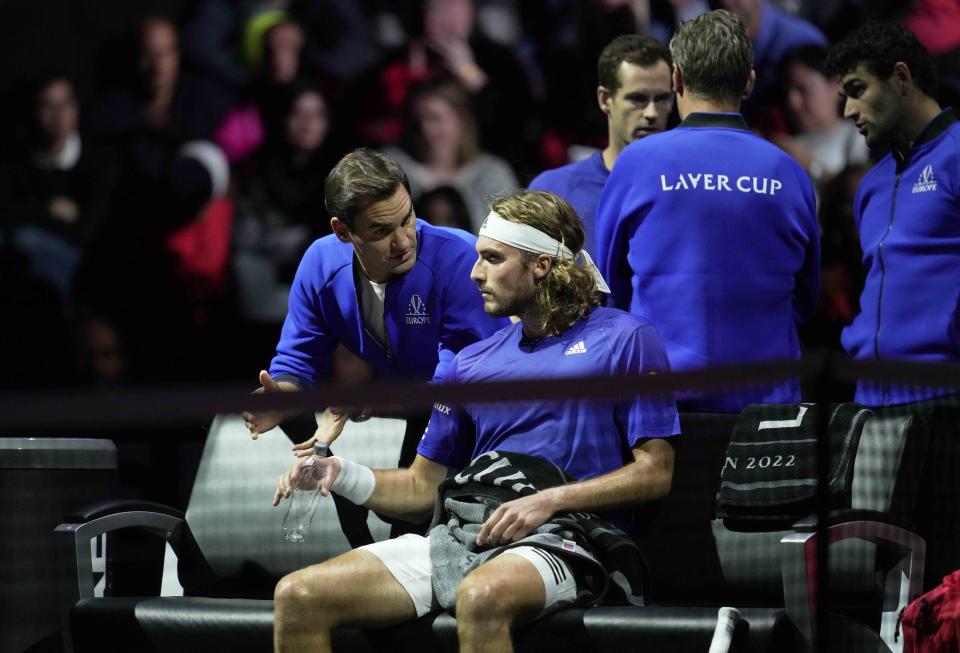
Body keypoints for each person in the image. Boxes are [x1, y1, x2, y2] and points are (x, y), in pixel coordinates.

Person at [271, 189, 679, 652]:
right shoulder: (469, 363)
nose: (474, 272)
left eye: (491, 258)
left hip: (566, 535)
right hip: (463, 533)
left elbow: (655, 471)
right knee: (298, 596)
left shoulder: (629, 338)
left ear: (541, 265)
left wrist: (549, 501)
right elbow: (422, 489)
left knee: (481, 596)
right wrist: (338, 473)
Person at [242, 148, 507, 540]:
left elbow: (456, 385)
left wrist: (365, 401)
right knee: (398, 536)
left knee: (415, 533)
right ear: (343, 231)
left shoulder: (459, 260)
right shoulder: (320, 265)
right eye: (382, 231)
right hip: (414, 409)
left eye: (407, 219)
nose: (403, 241)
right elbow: (298, 361)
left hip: (485, 420)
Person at [595, 9, 820, 412]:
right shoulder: (789, 172)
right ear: (749, 82)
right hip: (768, 410)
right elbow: (806, 298)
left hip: (662, 407)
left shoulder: (637, 163)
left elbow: (610, 287)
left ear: (676, 78)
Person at [825, 22, 960, 407]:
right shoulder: (869, 187)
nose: (848, 110)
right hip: (870, 401)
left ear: (901, 77)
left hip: (944, 398)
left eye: (857, 90)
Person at [529, 34, 674, 256]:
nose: (652, 113)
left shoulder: (687, 187)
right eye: (638, 99)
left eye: (662, 99)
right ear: (605, 99)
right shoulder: (554, 192)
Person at [382, 75, 518, 232]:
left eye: (435, 118)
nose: (426, 130)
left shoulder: (492, 176)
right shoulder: (392, 171)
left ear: (461, 120)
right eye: (417, 121)